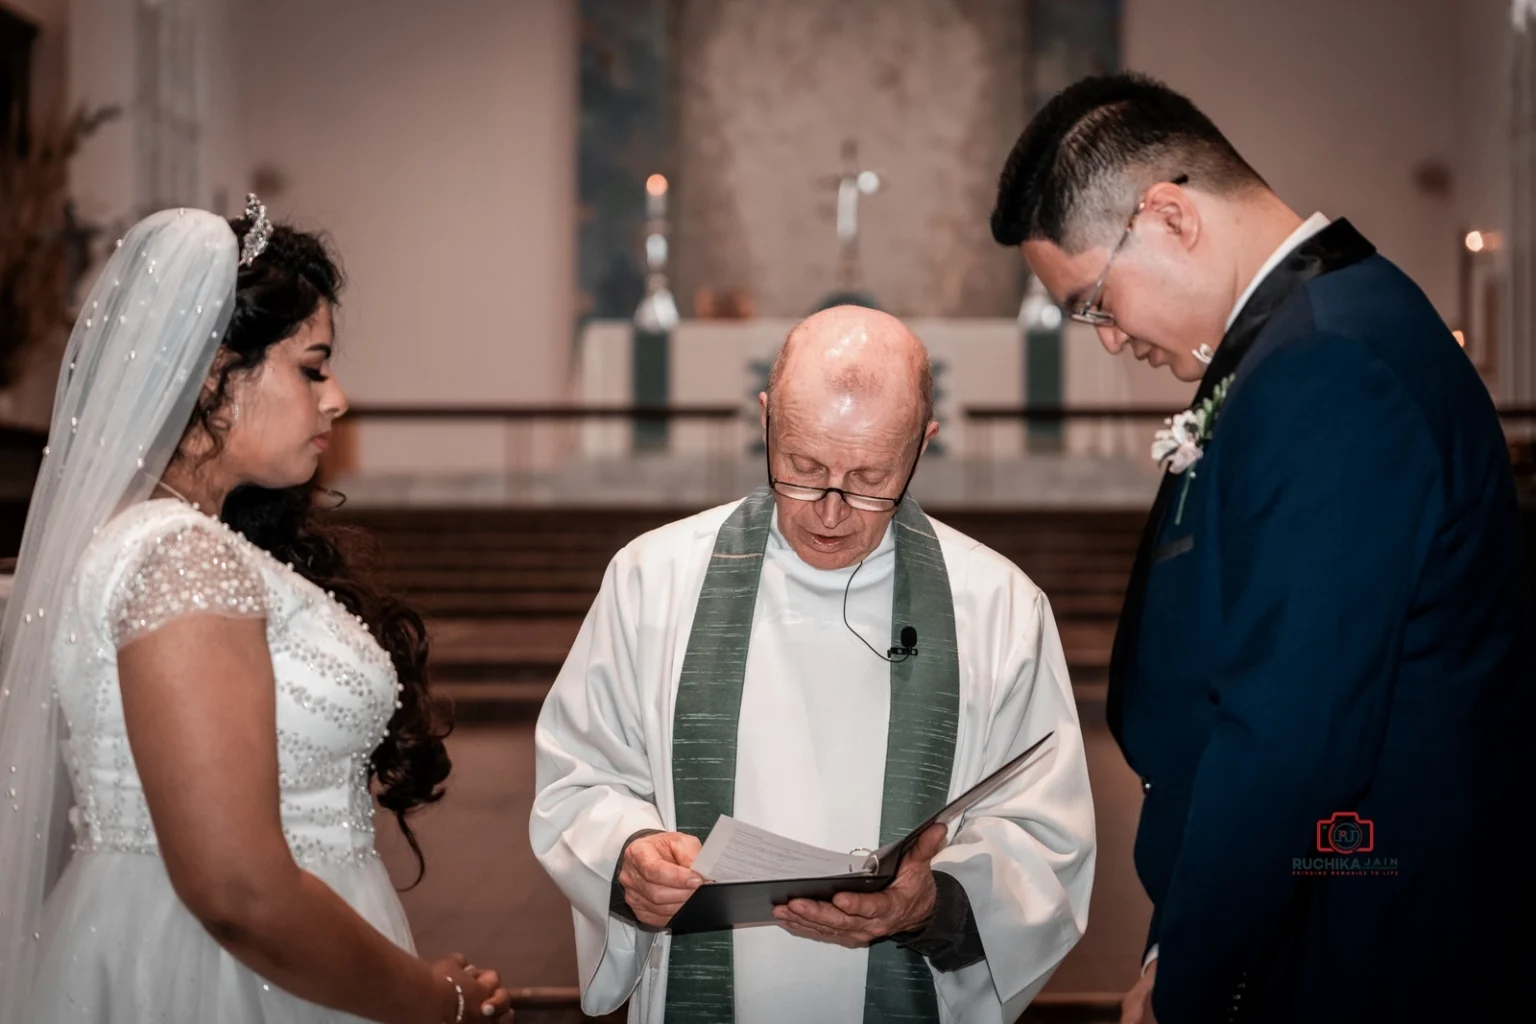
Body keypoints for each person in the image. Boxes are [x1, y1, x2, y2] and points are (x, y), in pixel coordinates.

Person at [992, 72, 1533, 1022]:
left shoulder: (1328, 365)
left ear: (1168, 217)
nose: (1109, 341)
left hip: (1359, 947)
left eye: (1094, 301)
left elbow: (1295, 730)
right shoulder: (1306, 338)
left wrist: (1191, 972)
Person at [0, 200, 513, 1023]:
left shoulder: (187, 542)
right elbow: (236, 888)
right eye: (313, 367)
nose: (337, 399)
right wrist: (431, 1000)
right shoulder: (181, 559)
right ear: (214, 378)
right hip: (217, 979)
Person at [530, 305, 1094, 1024]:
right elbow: (579, 778)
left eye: (868, 478)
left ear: (924, 444)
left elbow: (1046, 837)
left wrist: (934, 903)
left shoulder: (1001, 607)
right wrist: (628, 855)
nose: (830, 512)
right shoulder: (652, 578)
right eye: (801, 468)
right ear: (765, 420)